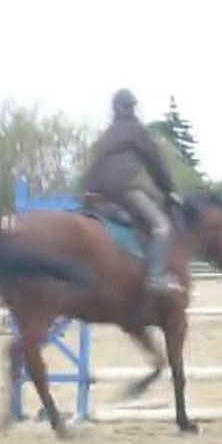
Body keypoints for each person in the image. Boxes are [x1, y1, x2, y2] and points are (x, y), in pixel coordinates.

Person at [82, 88, 184, 294]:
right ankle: (156, 277)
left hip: (96, 192)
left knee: (129, 223)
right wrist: (170, 190)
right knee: (161, 226)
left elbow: (93, 163)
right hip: (125, 186)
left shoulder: (107, 135)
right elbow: (155, 161)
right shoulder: (136, 130)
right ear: (131, 108)